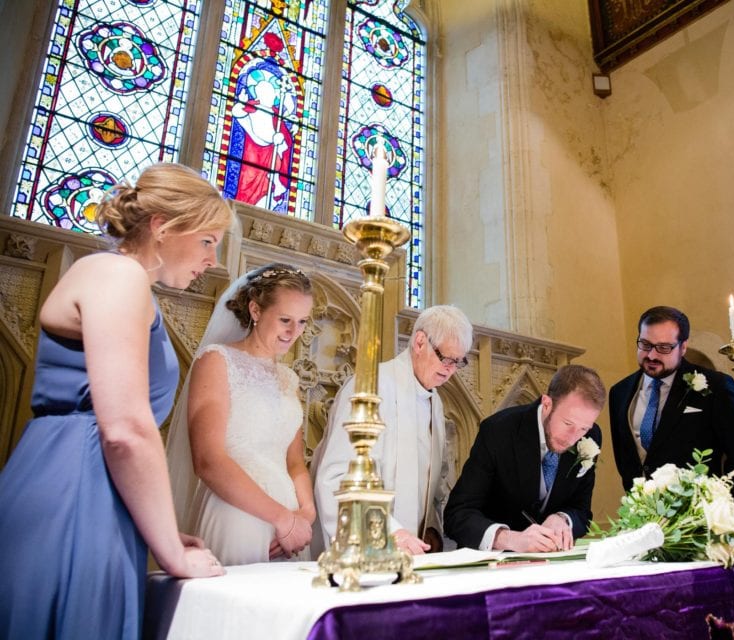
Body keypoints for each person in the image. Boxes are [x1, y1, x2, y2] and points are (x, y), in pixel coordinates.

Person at [0, 162, 233, 639]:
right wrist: (171, 553)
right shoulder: (118, 274)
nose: (212, 260)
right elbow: (125, 430)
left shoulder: (118, 278)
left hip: (92, 489)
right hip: (76, 491)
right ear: (162, 227)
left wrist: (158, 526)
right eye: (207, 241)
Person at [166, 263, 316, 565]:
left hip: (291, 524)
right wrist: (281, 519)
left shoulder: (288, 378)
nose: (294, 332)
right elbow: (208, 460)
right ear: (256, 310)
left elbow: (295, 462)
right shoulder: (217, 361)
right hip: (236, 513)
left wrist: (305, 515)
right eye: (285, 320)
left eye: (302, 322)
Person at [313, 305, 473, 555]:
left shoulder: (435, 402)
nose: (451, 370)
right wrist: (388, 532)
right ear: (420, 342)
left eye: (459, 362)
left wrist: (430, 527)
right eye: (446, 358)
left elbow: (431, 484)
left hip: (412, 552)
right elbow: (337, 478)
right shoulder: (371, 387)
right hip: (368, 550)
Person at [444, 365, 605, 552]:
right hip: (495, 560)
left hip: (552, 560)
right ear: (547, 404)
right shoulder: (498, 431)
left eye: (583, 428)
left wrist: (562, 518)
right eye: (568, 423)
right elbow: (457, 514)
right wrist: (509, 539)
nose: (573, 438)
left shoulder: (591, 437)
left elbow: (582, 511)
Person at [608, 305, 734, 499]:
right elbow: (625, 461)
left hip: (700, 510)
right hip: (643, 510)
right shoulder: (619, 392)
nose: (652, 355)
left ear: (683, 347)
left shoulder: (716, 386)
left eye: (664, 347)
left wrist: (724, 508)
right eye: (645, 344)